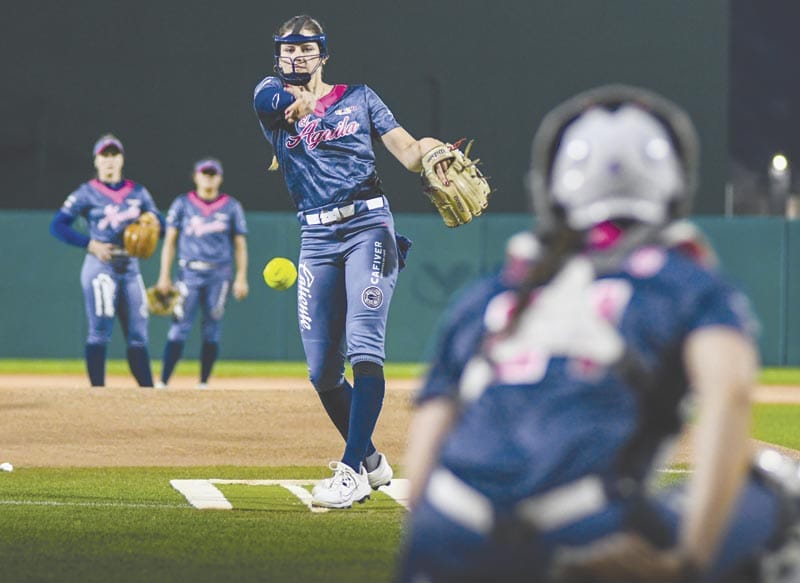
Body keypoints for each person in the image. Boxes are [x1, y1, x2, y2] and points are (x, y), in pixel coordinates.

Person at [397, 85, 800, 582]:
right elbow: (732, 392)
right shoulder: (684, 279)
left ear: (554, 184)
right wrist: (687, 561)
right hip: (582, 536)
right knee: (784, 493)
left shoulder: (493, 293)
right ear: (672, 184)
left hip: (443, 538)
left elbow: (421, 472)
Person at [252, 14, 452, 509]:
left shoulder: (360, 97)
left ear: (323, 53)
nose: (295, 57)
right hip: (316, 238)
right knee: (322, 373)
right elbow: (280, 104)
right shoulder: (268, 95)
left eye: (305, 49)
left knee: (365, 346)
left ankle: (349, 471)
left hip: (369, 227)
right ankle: (372, 461)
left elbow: (406, 150)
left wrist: (434, 153)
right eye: (287, 49)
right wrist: (299, 101)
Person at [49, 133, 162, 388]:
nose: (110, 160)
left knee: (138, 334)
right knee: (99, 330)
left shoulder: (139, 193)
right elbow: (57, 225)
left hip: (131, 268)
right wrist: (90, 244)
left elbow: (160, 224)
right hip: (101, 266)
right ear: (96, 161)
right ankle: (97, 395)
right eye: (105, 155)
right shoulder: (86, 193)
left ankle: (149, 393)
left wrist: (155, 222)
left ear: (122, 160)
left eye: (114, 155)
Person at [154, 158, 249, 389]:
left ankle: (204, 382)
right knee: (179, 327)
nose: (208, 178)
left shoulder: (231, 206)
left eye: (213, 174)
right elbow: (169, 242)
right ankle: (164, 381)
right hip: (189, 273)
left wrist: (241, 277)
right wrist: (164, 276)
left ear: (220, 178)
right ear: (195, 176)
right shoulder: (182, 204)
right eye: (204, 173)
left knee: (212, 329)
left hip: (219, 275)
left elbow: (240, 244)